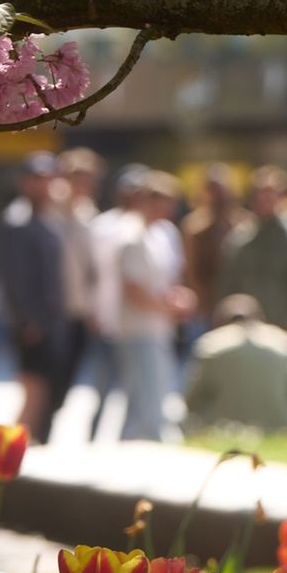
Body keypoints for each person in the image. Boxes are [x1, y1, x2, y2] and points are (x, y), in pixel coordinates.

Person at [115, 172, 194, 441]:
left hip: (161, 329)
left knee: (152, 398)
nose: (168, 209)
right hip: (138, 330)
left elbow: (171, 278)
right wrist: (169, 307)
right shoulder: (132, 236)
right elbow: (133, 291)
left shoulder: (165, 234)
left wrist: (179, 298)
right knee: (145, 403)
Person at [0, 153, 68, 443]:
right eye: (37, 179)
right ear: (24, 182)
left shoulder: (47, 217)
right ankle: (4, 457)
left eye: (48, 179)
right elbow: (15, 278)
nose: (44, 185)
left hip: (50, 322)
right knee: (33, 394)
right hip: (32, 326)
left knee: (43, 394)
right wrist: (27, 320)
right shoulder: (18, 221)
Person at [219, 166, 287, 334]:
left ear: (283, 196)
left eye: (270, 194)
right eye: (258, 194)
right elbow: (228, 287)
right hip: (246, 332)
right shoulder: (240, 240)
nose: (264, 199)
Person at [48, 147, 106, 425]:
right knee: (48, 377)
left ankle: (45, 431)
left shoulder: (89, 213)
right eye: (80, 178)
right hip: (53, 308)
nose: (86, 185)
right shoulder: (49, 208)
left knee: (67, 378)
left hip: (80, 309)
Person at [86, 166, 146, 439]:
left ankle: (127, 444)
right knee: (100, 389)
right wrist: (94, 313)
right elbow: (92, 274)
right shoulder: (103, 225)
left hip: (137, 323)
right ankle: (91, 441)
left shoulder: (150, 227)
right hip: (105, 321)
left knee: (137, 391)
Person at [183, 294, 287, 432]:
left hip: (226, 429)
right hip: (281, 428)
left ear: (219, 321)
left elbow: (191, 401)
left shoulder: (210, 345)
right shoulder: (286, 343)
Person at [181, 163, 246, 329]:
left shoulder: (244, 223)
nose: (219, 196)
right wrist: (201, 305)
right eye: (213, 190)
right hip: (207, 307)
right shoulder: (193, 227)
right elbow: (190, 270)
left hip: (239, 304)